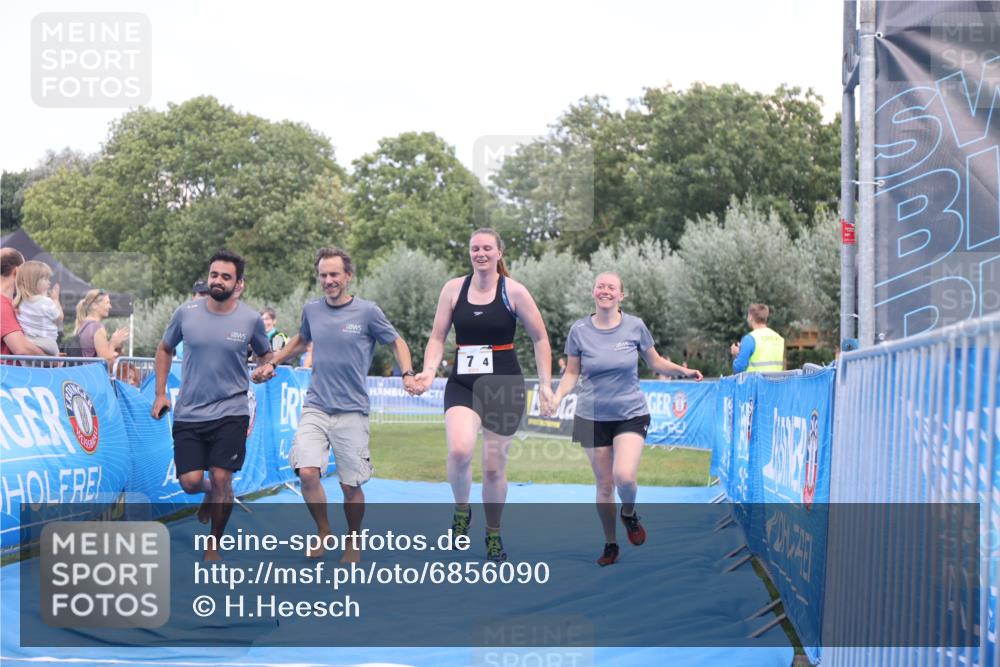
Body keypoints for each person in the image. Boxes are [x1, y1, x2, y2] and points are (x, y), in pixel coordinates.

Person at [252, 247, 422, 562]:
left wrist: (408, 374)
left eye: (334, 274)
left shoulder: (368, 312)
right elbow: (301, 341)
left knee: (350, 485)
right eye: (323, 275)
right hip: (316, 405)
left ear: (348, 276)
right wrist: (272, 362)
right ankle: (323, 531)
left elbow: (396, 341)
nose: (329, 281)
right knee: (306, 472)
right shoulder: (312, 310)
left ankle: (354, 540)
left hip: (352, 410)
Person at [544, 272, 703, 566]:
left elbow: (654, 362)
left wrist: (684, 372)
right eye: (600, 286)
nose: (605, 290)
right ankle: (610, 543)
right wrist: (557, 397)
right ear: (593, 292)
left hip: (630, 413)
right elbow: (571, 374)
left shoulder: (635, 326)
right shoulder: (578, 329)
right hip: (591, 416)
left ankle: (628, 513)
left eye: (611, 287)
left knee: (625, 476)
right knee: (604, 485)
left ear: (621, 295)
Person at [414, 228, 553, 563]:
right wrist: (430, 370)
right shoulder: (453, 288)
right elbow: (437, 336)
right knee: (460, 450)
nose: (481, 253)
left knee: (493, 469)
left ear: (499, 253)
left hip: (504, 385)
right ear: (470, 253)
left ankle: (493, 533)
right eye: (475, 248)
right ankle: (462, 510)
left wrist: (546, 384)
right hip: (464, 383)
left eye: (487, 248)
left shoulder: (514, 292)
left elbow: (540, 339)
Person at [151, 250, 272, 561]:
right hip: (190, 411)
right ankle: (213, 493)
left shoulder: (250, 319)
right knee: (191, 483)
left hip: (232, 410)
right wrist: (161, 393)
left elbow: (265, 354)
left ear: (239, 284)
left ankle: (213, 544)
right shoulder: (185, 313)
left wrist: (265, 368)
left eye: (225, 277)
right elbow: (165, 348)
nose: (217, 281)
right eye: (214, 274)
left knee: (222, 477)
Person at [0, 248, 47, 357]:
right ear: (17, 271)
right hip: (9, 373)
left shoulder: (9, 303)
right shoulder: (2, 305)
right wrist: (53, 361)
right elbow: (21, 348)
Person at [13, 260, 63, 356]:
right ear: (34, 281)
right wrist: (56, 300)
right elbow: (59, 317)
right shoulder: (46, 302)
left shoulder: (19, 303)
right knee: (57, 364)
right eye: (45, 278)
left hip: (27, 342)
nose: (49, 282)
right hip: (48, 343)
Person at [72, 289, 130, 363]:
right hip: (93, 372)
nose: (110, 306)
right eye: (107, 303)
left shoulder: (83, 325)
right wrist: (113, 344)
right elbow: (107, 361)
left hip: (84, 371)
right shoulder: (97, 327)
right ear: (94, 305)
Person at [730, 303, 785, 373]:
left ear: (750, 317)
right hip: (776, 383)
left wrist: (737, 354)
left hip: (755, 383)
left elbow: (738, 369)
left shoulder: (749, 339)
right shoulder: (779, 338)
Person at [174, 280, 210, 361]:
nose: (204, 298)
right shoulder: (183, 317)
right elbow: (180, 352)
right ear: (193, 297)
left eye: (207, 294)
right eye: (201, 294)